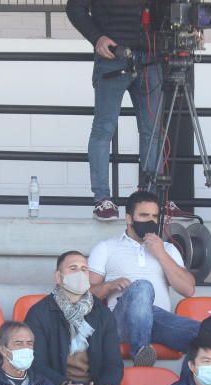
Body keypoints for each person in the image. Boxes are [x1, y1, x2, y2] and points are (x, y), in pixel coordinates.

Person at [25, 251, 149, 385]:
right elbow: (35, 364)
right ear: (59, 276)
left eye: (84, 269)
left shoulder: (102, 313)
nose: (80, 274)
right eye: (73, 269)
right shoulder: (40, 313)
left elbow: (113, 362)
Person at [66, 0, 163, 221]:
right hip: (112, 55)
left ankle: (150, 198)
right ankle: (102, 199)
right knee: (104, 129)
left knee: (153, 131)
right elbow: (75, 7)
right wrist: (97, 37)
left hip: (151, 57)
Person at [88, 190, 199, 366]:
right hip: (120, 323)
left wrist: (161, 253)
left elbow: (188, 289)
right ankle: (140, 351)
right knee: (142, 288)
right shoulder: (106, 247)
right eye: (144, 215)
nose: (150, 221)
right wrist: (110, 285)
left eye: (154, 216)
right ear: (129, 218)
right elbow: (85, 297)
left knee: (206, 336)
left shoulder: (168, 249)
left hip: (158, 323)